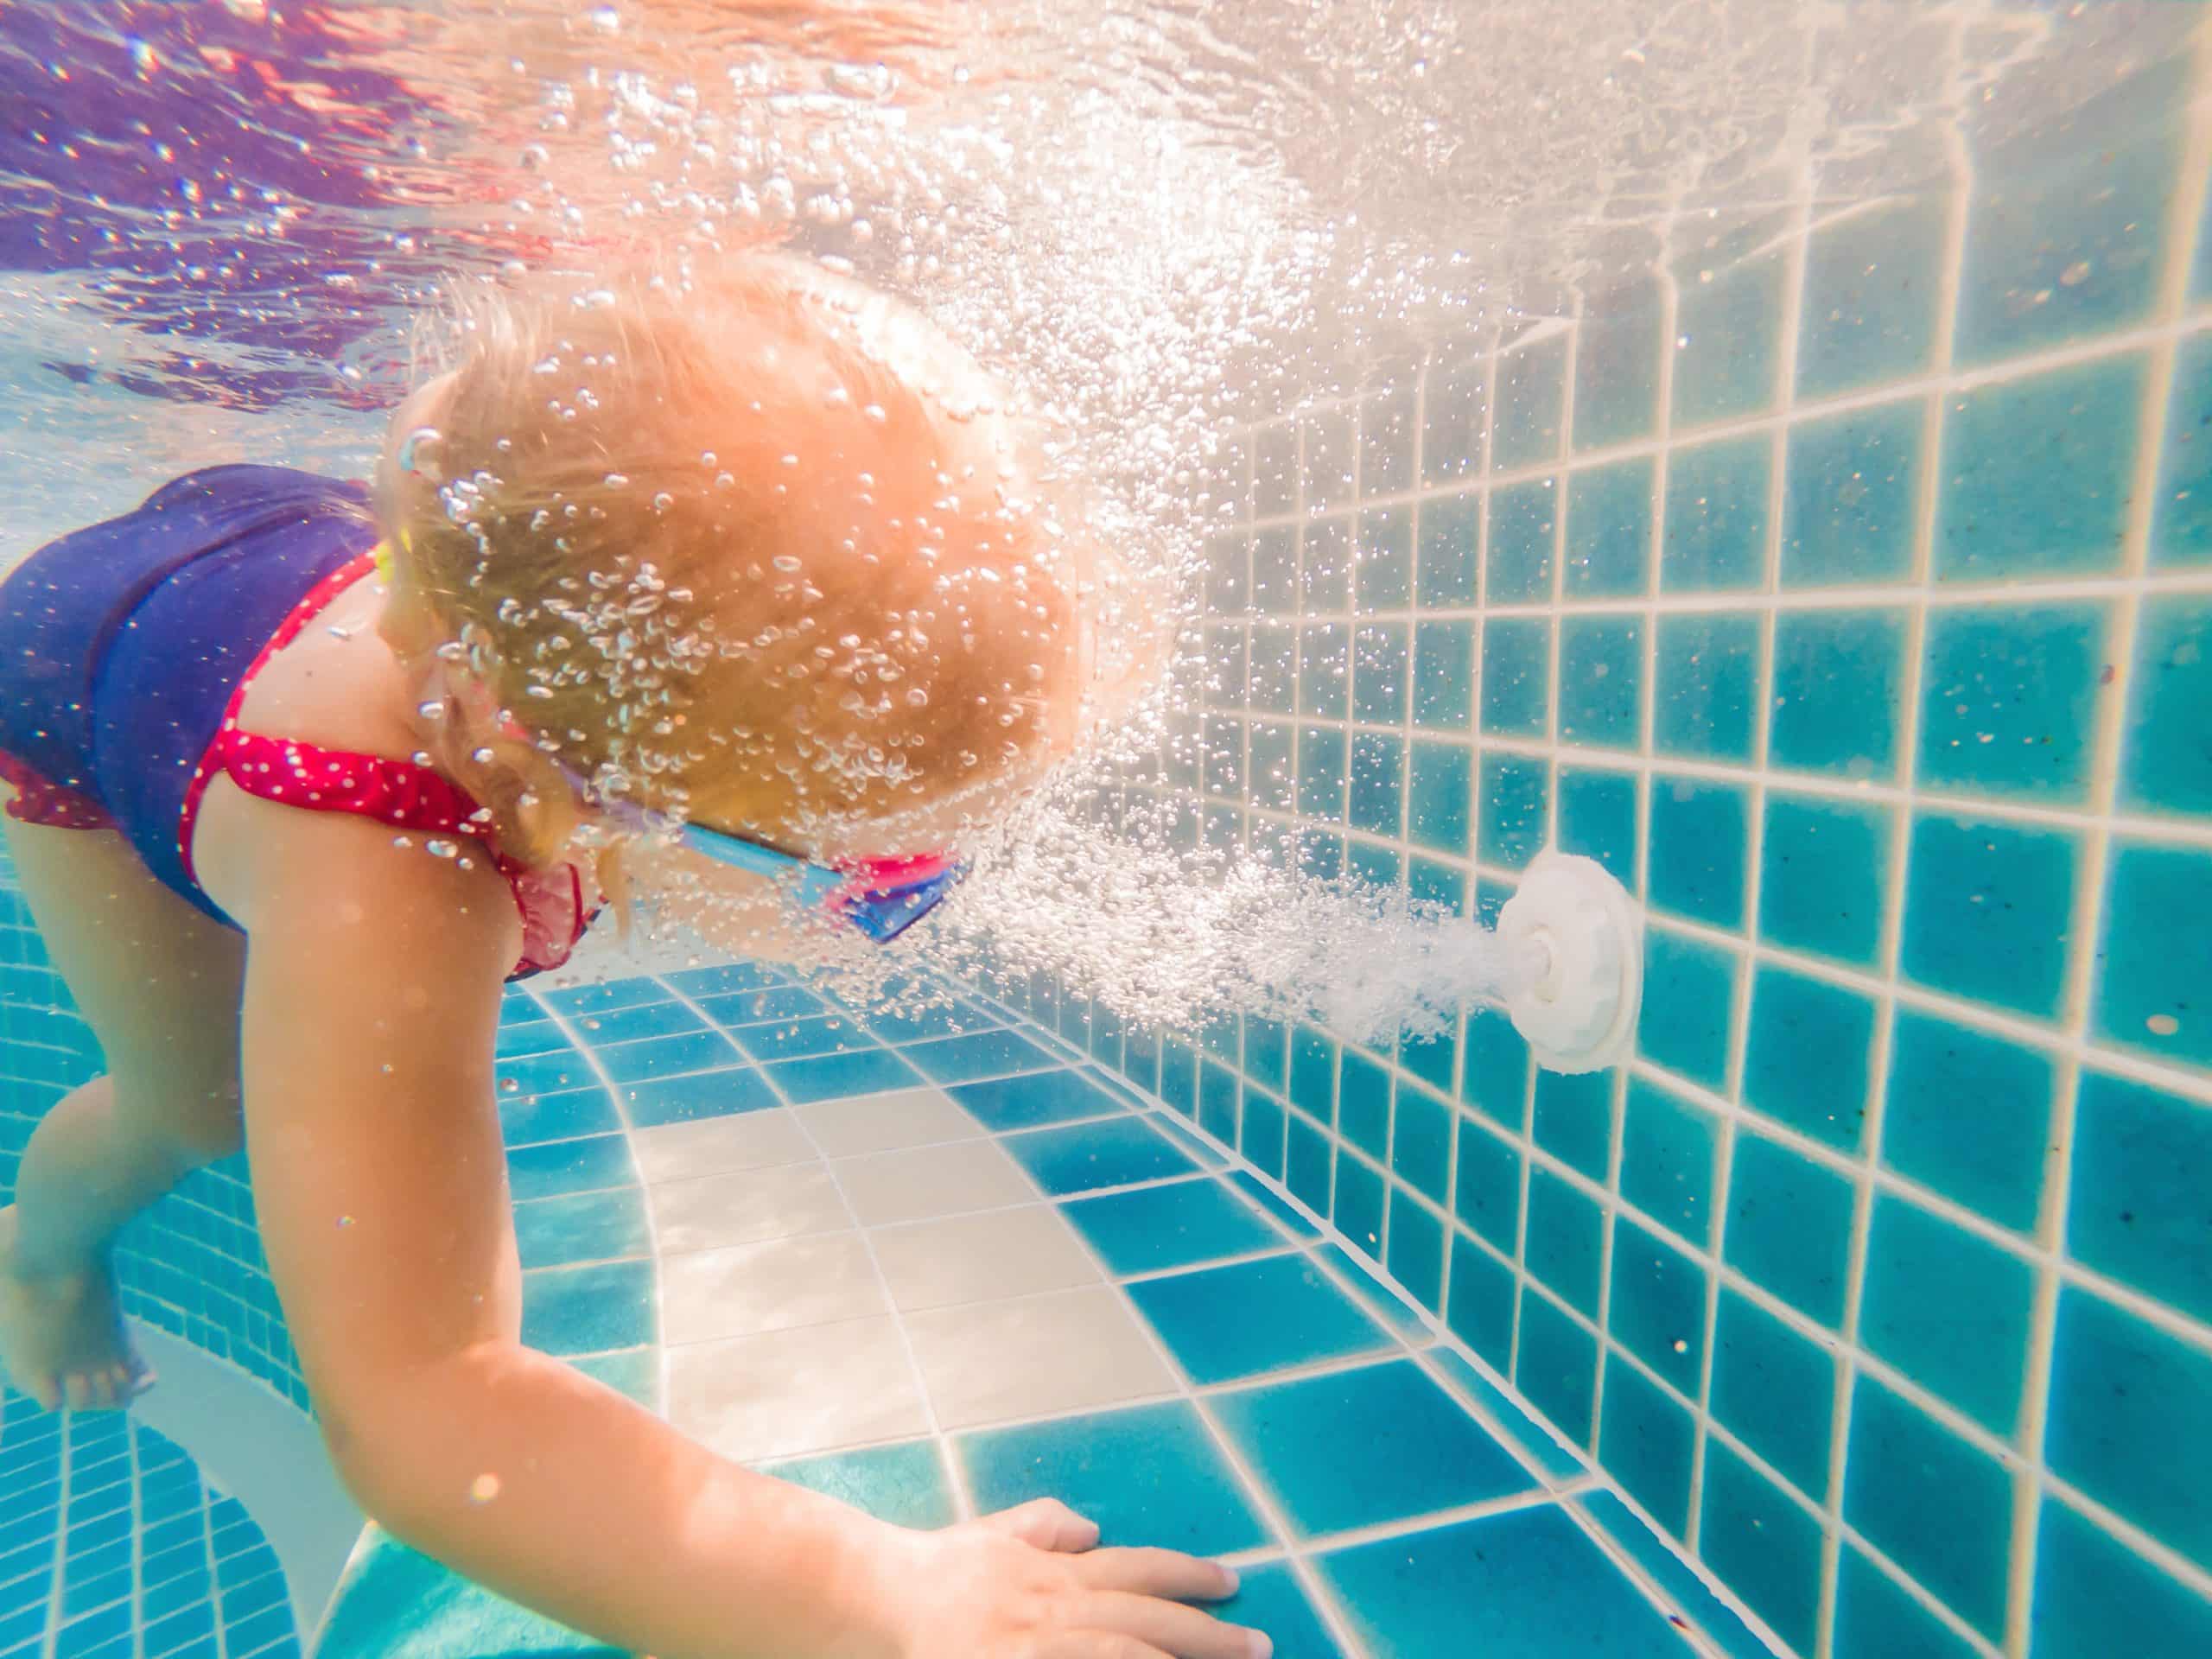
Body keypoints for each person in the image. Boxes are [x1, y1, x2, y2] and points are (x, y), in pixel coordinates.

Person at [0, 256, 1261, 1659]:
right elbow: (423, 1407)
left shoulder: (506, 536)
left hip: (266, 537)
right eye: (861, 871)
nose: (880, 904)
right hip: (70, 679)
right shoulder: (384, 874)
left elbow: (464, 430)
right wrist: (877, 1601)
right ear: (566, 785)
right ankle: (37, 1255)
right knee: (198, 1108)